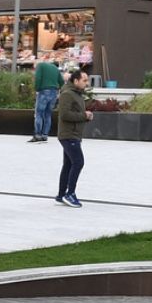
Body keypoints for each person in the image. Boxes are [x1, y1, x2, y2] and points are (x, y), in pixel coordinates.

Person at [54, 64, 93, 206]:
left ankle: (61, 194)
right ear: (75, 81)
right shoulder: (67, 94)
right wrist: (84, 115)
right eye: (84, 80)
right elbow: (64, 115)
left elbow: (75, 114)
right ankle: (70, 194)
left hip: (73, 134)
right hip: (68, 135)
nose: (86, 83)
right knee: (78, 162)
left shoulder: (75, 94)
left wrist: (85, 116)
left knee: (69, 164)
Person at [32, 51, 62, 143]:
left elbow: (38, 78)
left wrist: (36, 89)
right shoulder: (55, 69)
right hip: (54, 92)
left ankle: (38, 135)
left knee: (39, 114)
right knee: (48, 114)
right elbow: (61, 82)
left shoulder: (40, 66)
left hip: (44, 91)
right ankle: (45, 135)